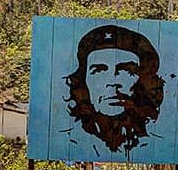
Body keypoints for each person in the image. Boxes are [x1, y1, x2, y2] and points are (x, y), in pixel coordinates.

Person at [65, 24, 165, 154]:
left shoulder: (156, 144)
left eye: (126, 70)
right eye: (99, 70)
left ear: (141, 81)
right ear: (83, 80)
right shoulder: (71, 142)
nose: (112, 82)